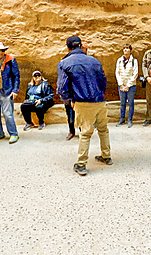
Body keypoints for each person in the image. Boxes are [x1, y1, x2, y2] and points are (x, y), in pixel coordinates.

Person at [57, 35, 111, 177]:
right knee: (103, 129)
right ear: (81, 46)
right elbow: (104, 82)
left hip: (82, 102)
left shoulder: (65, 63)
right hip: (99, 101)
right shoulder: (94, 61)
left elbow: (62, 87)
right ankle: (106, 156)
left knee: (85, 133)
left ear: (68, 47)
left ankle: (81, 164)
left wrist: (69, 100)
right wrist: (99, 94)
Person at [115, 44, 138, 126]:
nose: (125, 50)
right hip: (121, 85)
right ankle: (122, 119)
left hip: (131, 86)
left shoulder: (134, 61)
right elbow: (117, 73)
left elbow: (135, 74)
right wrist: (121, 84)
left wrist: (128, 85)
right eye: (124, 48)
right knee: (122, 103)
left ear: (130, 50)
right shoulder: (119, 60)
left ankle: (130, 120)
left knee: (131, 102)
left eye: (127, 48)